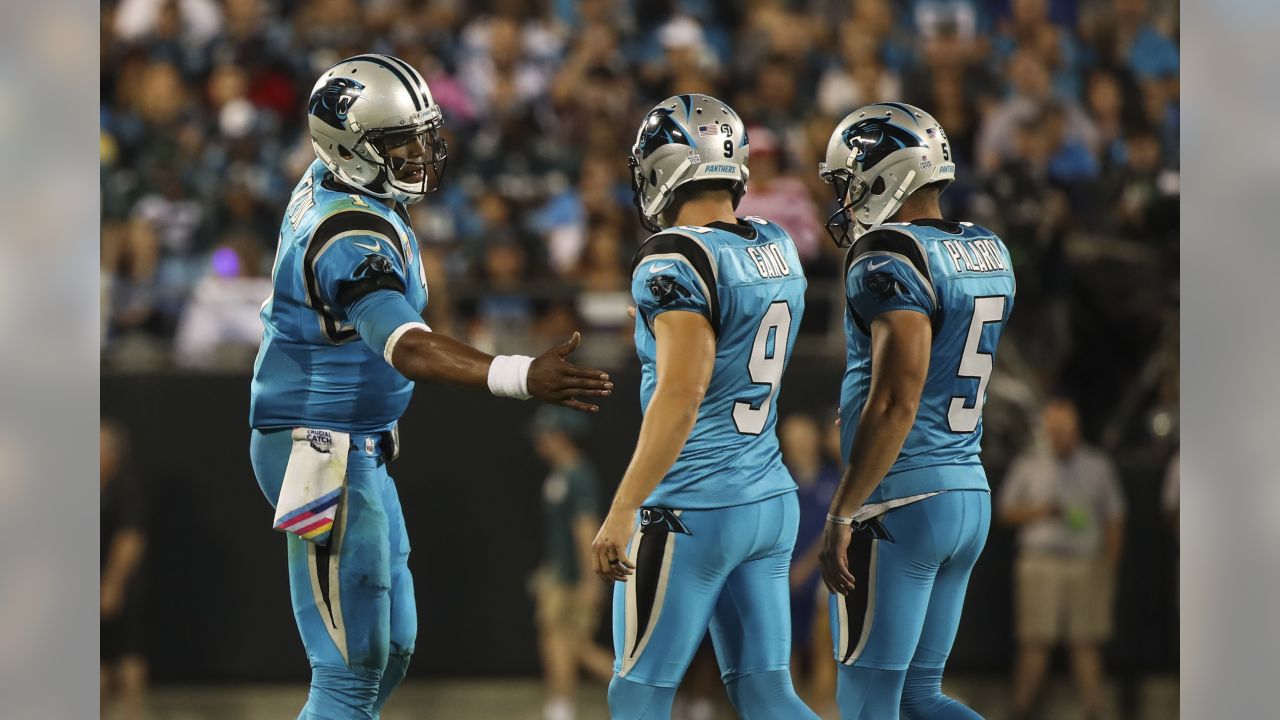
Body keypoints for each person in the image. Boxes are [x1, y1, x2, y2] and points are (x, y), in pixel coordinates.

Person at [248, 54, 614, 719]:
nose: (419, 154)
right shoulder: (348, 235)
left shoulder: (343, 186)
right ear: (349, 148)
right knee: (350, 669)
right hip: (317, 445)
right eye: (398, 143)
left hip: (358, 446)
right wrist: (520, 372)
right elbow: (408, 346)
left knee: (392, 648)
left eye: (420, 136)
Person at [590, 93, 819, 720]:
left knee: (637, 692)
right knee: (768, 693)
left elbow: (683, 392)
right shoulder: (775, 243)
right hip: (769, 496)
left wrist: (625, 505)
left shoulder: (674, 257)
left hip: (693, 502)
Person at [816, 102, 1017, 719]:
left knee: (869, 705)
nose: (844, 196)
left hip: (899, 500)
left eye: (849, 178)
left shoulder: (887, 256)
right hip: (966, 491)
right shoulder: (988, 248)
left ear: (884, 174)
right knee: (918, 698)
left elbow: (899, 398)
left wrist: (843, 511)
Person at [998, 397, 1126, 720]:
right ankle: (1020, 709)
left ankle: (1095, 710)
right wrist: (1043, 511)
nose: (1058, 436)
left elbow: (1114, 518)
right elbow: (1004, 512)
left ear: (1076, 429)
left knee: (1086, 643)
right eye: (1052, 429)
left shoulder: (1098, 466)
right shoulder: (1028, 464)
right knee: (1035, 642)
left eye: (1064, 429)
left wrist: (1109, 566)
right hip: (1040, 562)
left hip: (1085, 564)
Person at [531, 406, 615, 720]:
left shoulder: (579, 476)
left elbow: (585, 529)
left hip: (574, 578)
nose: (540, 441)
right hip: (559, 576)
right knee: (555, 640)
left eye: (546, 434)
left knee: (577, 646)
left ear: (562, 436)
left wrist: (591, 580)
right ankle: (560, 706)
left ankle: (639, 694)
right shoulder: (561, 475)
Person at [100, 420, 148, 720]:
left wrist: (112, 585)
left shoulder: (128, 488)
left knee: (129, 653)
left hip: (120, 585)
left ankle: (133, 714)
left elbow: (130, 539)